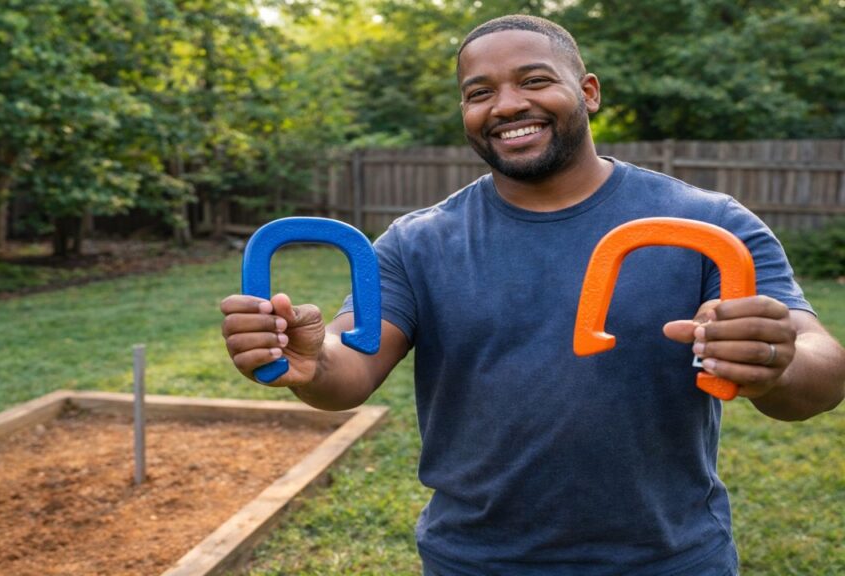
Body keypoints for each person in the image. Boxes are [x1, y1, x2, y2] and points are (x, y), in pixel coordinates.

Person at [220, 14, 845, 576]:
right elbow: (348, 372)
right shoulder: (417, 242)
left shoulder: (708, 225)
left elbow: (823, 371)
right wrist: (311, 362)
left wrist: (779, 360)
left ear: (589, 92)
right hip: (474, 560)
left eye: (534, 80)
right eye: (479, 93)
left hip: (669, 559)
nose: (506, 105)